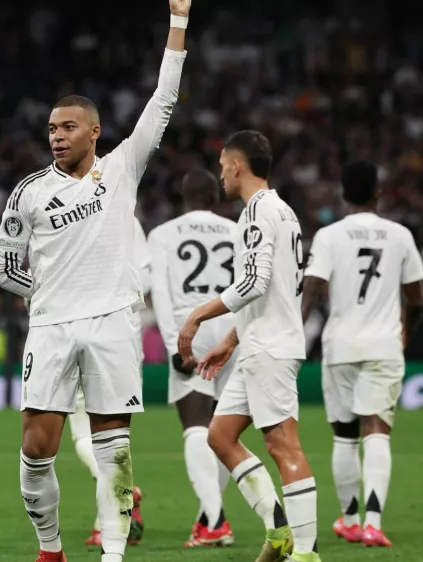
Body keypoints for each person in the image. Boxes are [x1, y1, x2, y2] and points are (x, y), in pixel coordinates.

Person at [0, 1, 190, 559]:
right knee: (35, 449)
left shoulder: (124, 167)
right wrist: (46, 290)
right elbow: (1, 269)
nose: (57, 136)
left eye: (68, 127)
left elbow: (164, 100)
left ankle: (113, 555)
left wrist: (179, 21)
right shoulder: (28, 192)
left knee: (114, 452)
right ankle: (50, 548)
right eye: (51, 128)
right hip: (51, 324)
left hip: (113, 322)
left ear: (94, 131)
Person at [177, 131, 321, 562]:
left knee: (282, 443)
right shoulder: (283, 212)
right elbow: (274, 288)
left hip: (271, 348)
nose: (221, 174)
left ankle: (306, 553)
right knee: (220, 436)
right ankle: (279, 530)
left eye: (223, 166)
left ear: (237, 166)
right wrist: (230, 339)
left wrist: (199, 314)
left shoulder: (258, 213)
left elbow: (254, 283)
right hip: (258, 340)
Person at [301, 160, 423, 548]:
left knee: (343, 436)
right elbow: (417, 298)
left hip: (340, 345)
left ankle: (350, 520)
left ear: (343, 194)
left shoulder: (328, 236)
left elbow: (312, 288)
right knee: (377, 430)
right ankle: (373, 523)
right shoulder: (400, 235)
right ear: (378, 191)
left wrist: (295, 335)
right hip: (384, 345)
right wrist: (406, 332)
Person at [148, 169, 238, 547]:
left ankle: (215, 521)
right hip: (233, 331)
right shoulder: (236, 231)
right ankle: (208, 519)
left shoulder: (164, 234)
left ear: (182, 198)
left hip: (193, 327)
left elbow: (162, 294)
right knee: (223, 432)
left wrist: (175, 347)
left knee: (196, 426)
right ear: (215, 199)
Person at [74, 217, 149, 548]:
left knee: (82, 429)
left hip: (75, 330)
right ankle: (103, 523)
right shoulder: (127, 215)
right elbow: (144, 275)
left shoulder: (60, 208)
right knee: (115, 431)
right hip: (125, 335)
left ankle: (123, 491)